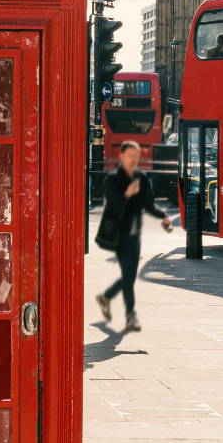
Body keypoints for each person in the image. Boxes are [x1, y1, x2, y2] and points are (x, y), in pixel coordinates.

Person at [95, 140, 172, 332]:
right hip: (119, 235)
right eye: (131, 156)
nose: (134, 159)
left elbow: (148, 205)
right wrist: (127, 194)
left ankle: (106, 297)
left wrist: (163, 216)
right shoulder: (112, 180)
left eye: (136, 156)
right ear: (122, 156)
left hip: (135, 236)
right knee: (129, 277)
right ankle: (131, 315)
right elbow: (113, 204)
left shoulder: (141, 179)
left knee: (129, 276)